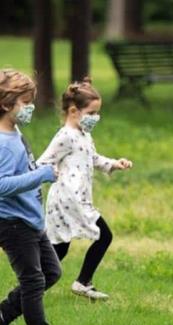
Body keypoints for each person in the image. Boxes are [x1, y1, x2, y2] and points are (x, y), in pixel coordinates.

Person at [37, 78, 132, 300]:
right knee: (104, 235)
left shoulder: (83, 134)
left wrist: (113, 164)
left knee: (59, 249)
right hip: (68, 201)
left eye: (97, 113)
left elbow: (92, 157)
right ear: (73, 111)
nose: (95, 118)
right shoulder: (65, 137)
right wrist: (52, 175)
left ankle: (31, 286)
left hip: (78, 200)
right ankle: (81, 282)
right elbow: (42, 163)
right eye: (91, 113)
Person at [0, 69, 64, 325]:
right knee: (33, 281)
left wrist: (40, 170)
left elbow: (23, 171)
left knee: (52, 273)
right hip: (12, 223)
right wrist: (42, 175)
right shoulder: (2, 144)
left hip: (30, 218)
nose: (31, 108)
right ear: (6, 104)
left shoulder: (15, 133)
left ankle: (3, 313)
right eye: (25, 103)